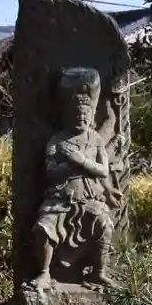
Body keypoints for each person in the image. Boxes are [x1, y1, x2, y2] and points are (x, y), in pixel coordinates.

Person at [27, 68, 120, 291]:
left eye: (86, 115)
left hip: (90, 197)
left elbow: (103, 170)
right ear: (67, 115)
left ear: (92, 116)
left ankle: (99, 273)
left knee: (105, 225)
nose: (81, 118)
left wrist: (80, 161)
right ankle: (44, 273)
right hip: (61, 197)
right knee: (43, 228)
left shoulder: (95, 139)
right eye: (77, 115)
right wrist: (70, 165)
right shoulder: (57, 140)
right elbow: (51, 170)